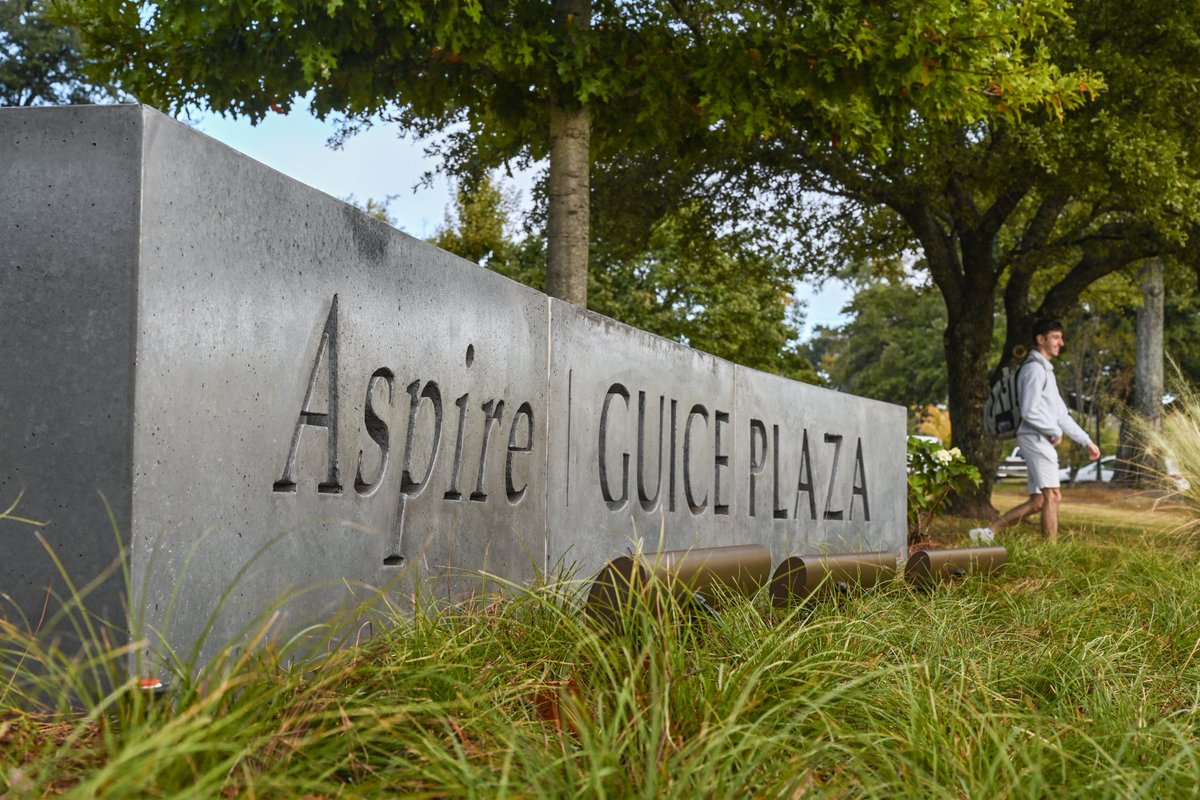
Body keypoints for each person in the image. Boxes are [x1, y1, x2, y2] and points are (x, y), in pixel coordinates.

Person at [970, 319, 1101, 543]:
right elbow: (1030, 411)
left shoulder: (1045, 371)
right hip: (1034, 438)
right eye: (1056, 337)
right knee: (1053, 495)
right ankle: (1051, 551)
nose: (1061, 342)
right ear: (1041, 340)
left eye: (1061, 337)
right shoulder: (1033, 369)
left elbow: (1061, 415)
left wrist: (1086, 441)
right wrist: (1054, 432)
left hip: (1039, 438)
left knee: (1038, 501)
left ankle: (987, 533)